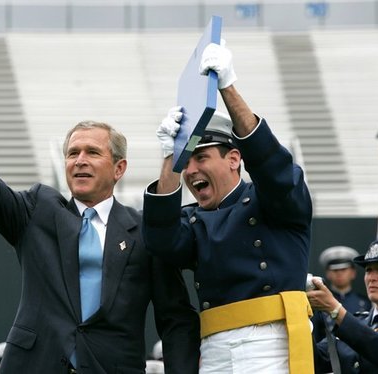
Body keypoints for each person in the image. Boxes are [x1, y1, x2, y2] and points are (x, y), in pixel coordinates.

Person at [0, 36, 200, 373]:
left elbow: (175, 318)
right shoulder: (38, 210)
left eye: (92, 152)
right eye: (72, 153)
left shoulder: (145, 232)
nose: (80, 160)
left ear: (119, 168)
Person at [142, 41, 314, 373]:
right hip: (215, 349)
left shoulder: (274, 204)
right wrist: (169, 158)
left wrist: (228, 87)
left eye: (201, 157)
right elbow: (162, 242)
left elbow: (274, 170)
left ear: (235, 158)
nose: (190, 171)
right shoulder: (192, 220)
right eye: (185, 162)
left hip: (273, 345)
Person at [308, 239, 378, 373]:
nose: (372, 277)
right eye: (368, 270)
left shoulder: (351, 324)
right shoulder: (361, 321)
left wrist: (334, 309)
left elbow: (376, 346)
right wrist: (298, 315)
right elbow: (315, 360)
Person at [311, 245, 371, 342]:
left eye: (343, 270)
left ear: (353, 273)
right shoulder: (319, 303)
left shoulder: (365, 303)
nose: (339, 274)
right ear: (328, 274)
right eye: (335, 270)